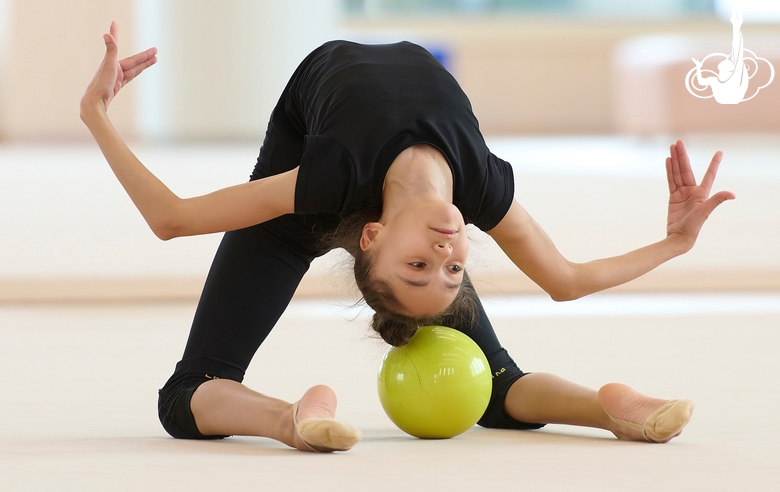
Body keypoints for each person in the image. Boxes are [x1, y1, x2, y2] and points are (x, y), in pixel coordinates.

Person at [81, 22, 735, 452]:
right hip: (312, 193)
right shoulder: (476, 185)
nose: (451, 255)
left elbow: (172, 216)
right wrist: (672, 242)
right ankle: (602, 404)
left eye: (421, 265)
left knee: (185, 397)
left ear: (372, 236)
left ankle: (292, 420)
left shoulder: (327, 180)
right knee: (500, 385)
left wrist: (96, 115)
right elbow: (566, 280)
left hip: (305, 201)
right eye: (449, 271)